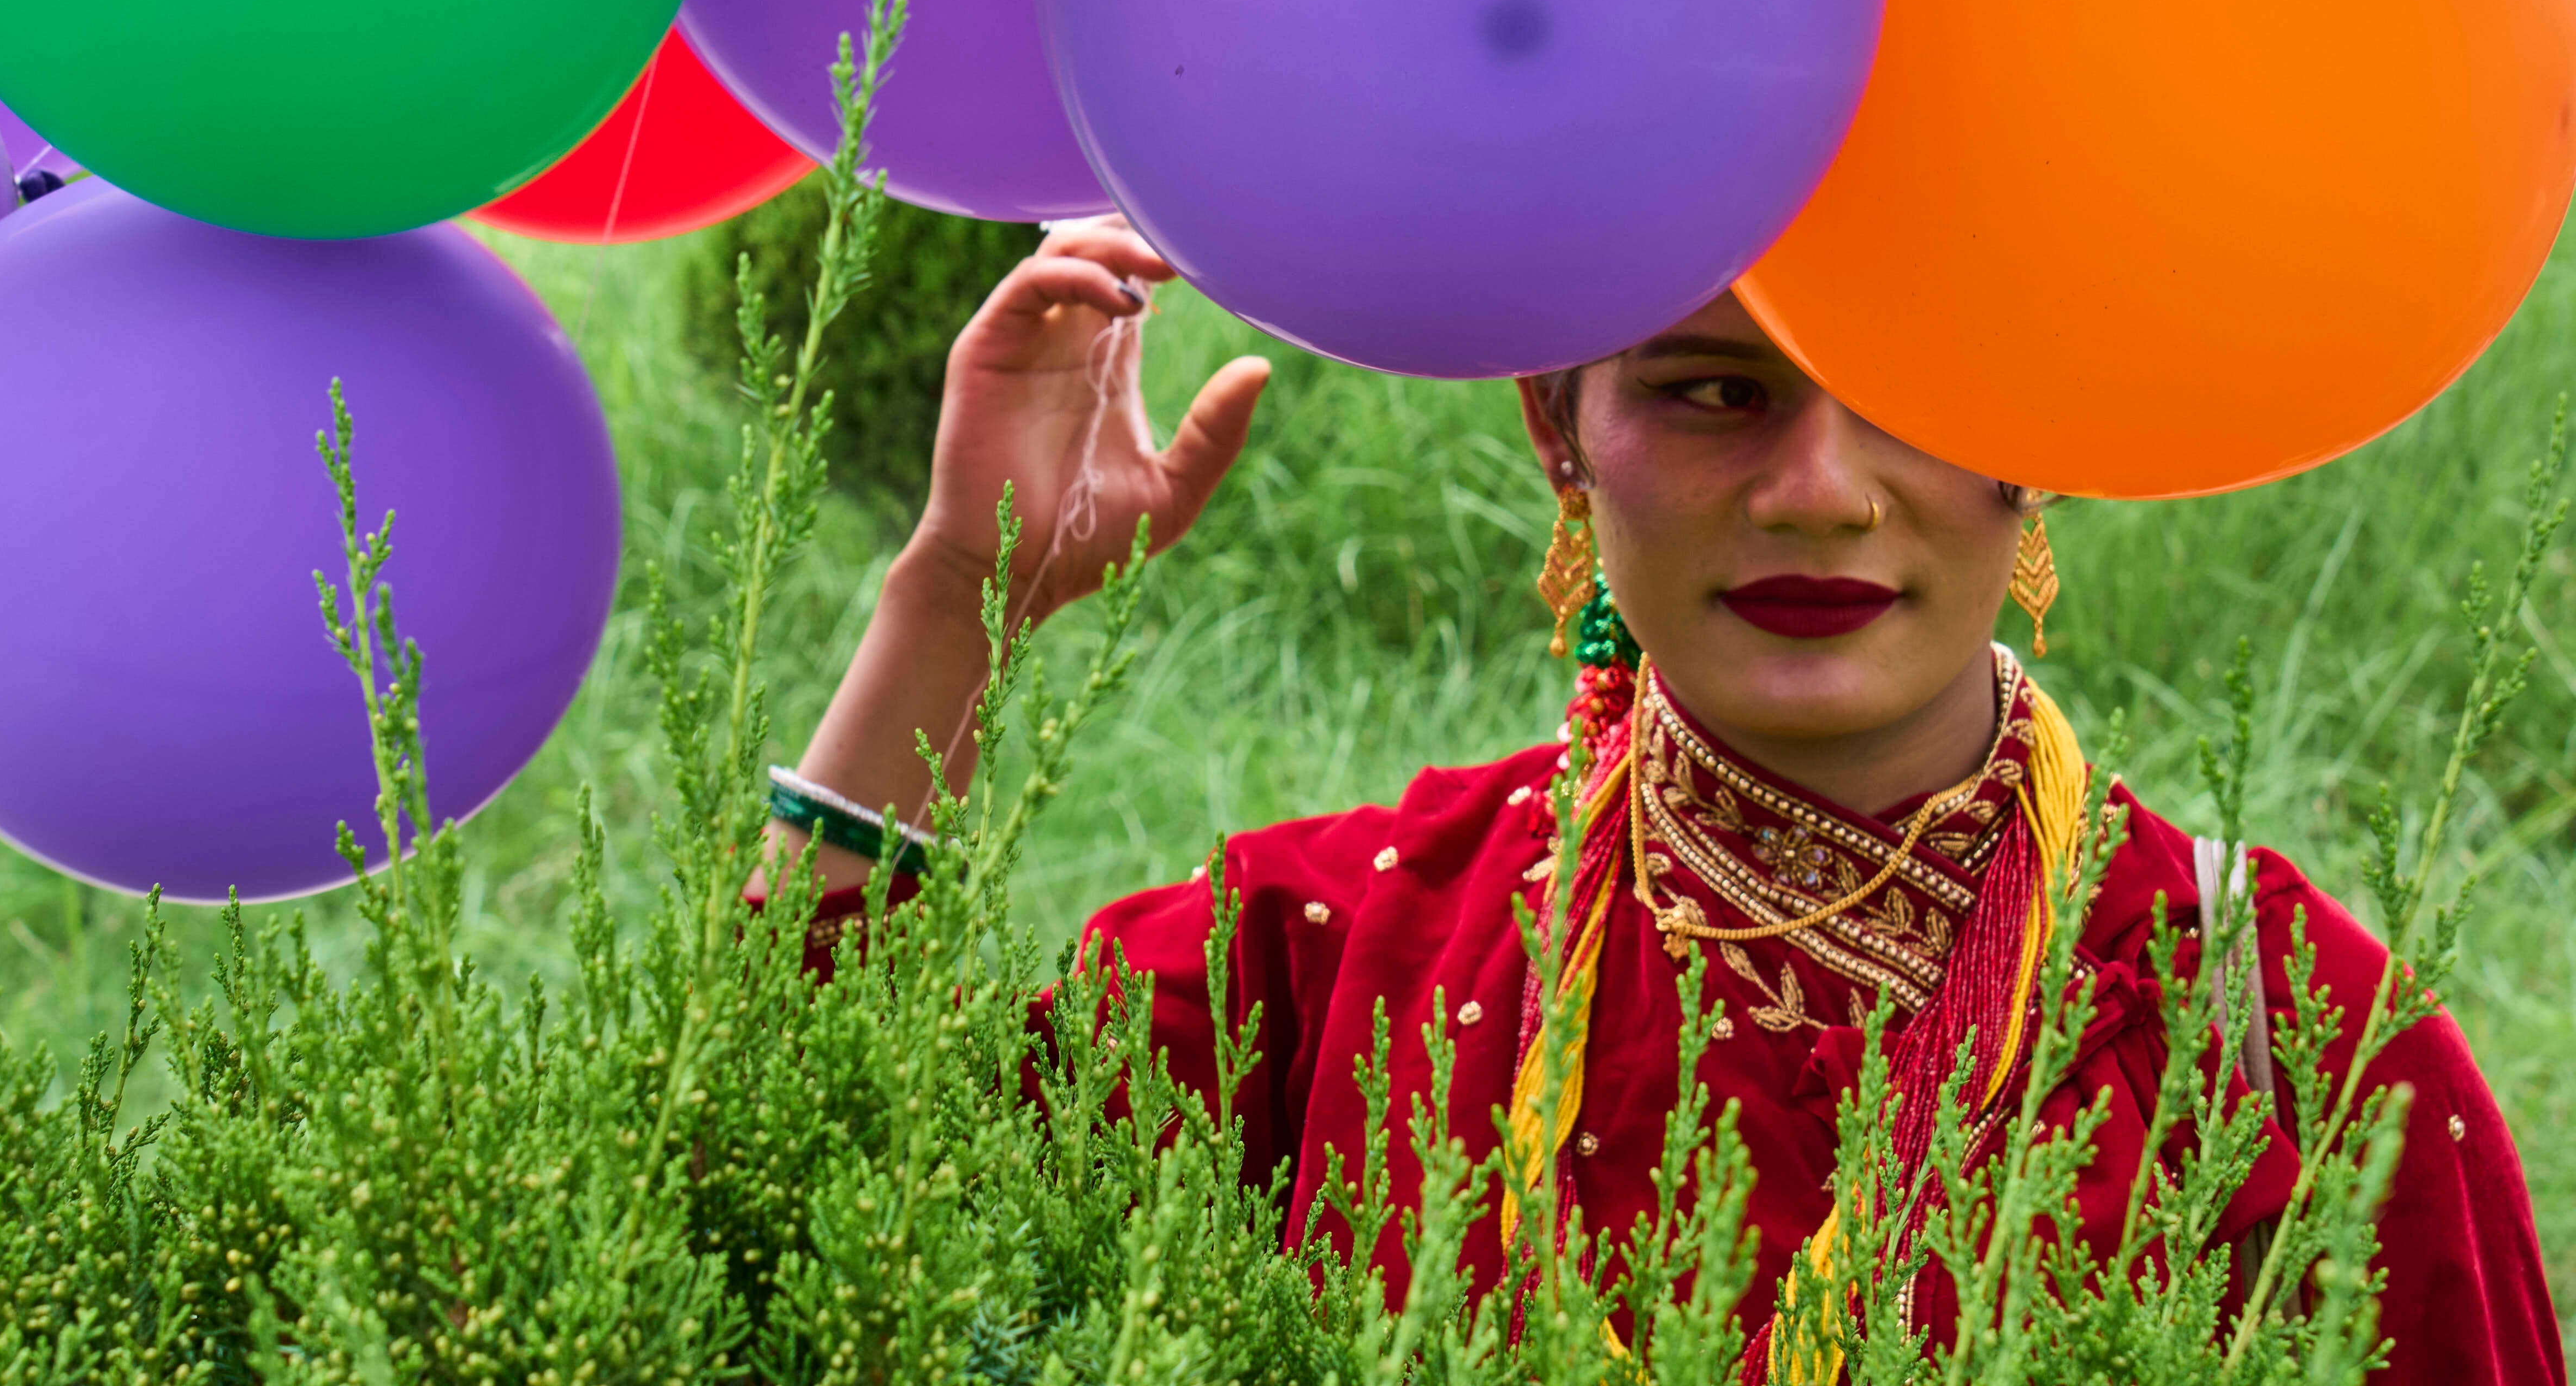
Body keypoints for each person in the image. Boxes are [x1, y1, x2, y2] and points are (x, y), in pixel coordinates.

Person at [762, 217, 2563, 1382]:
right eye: (1715, 391)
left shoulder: (2291, 1045)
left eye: (1914, 392)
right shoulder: (1345, 954)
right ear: (1561, 431)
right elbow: (789, 1213)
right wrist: (953, 603)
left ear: (2044, 432)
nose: (1819, 492)